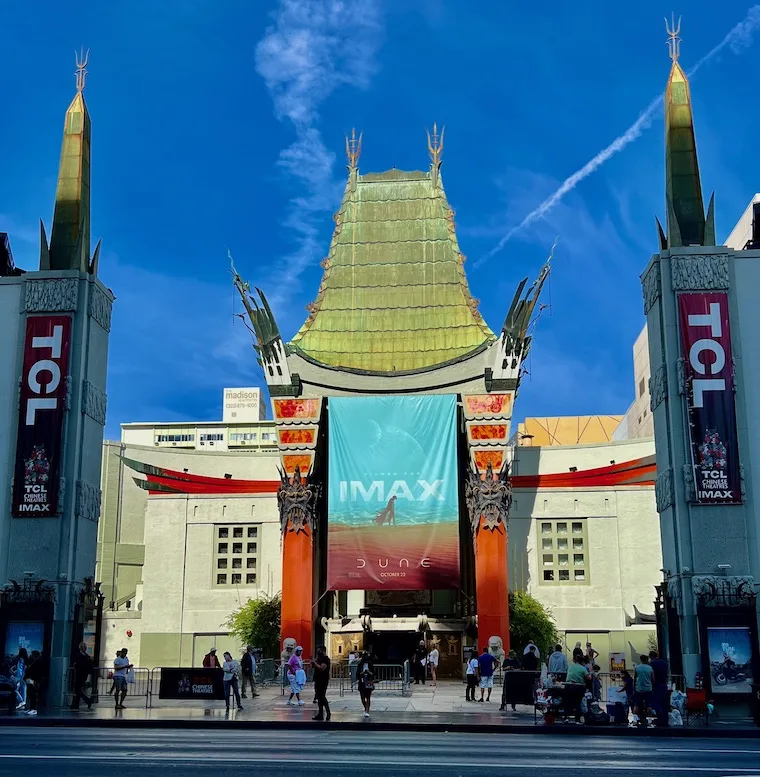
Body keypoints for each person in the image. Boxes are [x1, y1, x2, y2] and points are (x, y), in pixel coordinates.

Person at [633, 654, 655, 728]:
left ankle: (639, 718)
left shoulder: (637, 668)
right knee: (649, 705)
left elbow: (635, 678)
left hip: (639, 689)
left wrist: (634, 687)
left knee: (636, 705)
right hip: (648, 689)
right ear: (647, 660)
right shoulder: (650, 668)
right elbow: (653, 679)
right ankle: (649, 717)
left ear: (641, 660)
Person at [70, 643, 93, 710]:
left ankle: (87, 700)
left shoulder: (78, 656)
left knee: (77, 690)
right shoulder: (87, 656)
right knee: (78, 690)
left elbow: (76, 664)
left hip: (79, 674)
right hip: (84, 675)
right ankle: (76, 704)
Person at [649, 650, 670, 727]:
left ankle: (660, 719)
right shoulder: (664, 662)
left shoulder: (652, 663)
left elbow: (652, 675)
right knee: (664, 703)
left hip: (656, 685)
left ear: (650, 657)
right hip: (664, 684)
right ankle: (665, 720)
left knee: (656, 703)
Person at [312, 645, 331, 721]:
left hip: (323, 680)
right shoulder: (319, 659)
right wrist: (315, 661)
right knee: (319, 697)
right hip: (317, 679)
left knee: (322, 696)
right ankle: (320, 714)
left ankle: (328, 712)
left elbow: (322, 668)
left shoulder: (326, 659)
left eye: (319, 651)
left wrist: (315, 663)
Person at [24, 651, 44, 716]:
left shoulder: (37, 662)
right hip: (32, 679)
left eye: (32, 655)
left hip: (35, 680)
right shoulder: (34, 662)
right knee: (31, 694)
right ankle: (31, 708)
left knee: (34, 695)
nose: (30, 656)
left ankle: (34, 709)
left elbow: (33, 670)